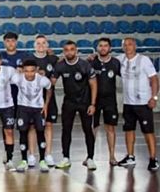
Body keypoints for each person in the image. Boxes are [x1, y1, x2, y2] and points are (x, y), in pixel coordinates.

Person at [52, 40, 97, 171]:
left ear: (76, 50)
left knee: (88, 129)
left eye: (72, 49)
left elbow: (94, 84)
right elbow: (51, 83)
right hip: (69, 102)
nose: (69, 52)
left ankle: (90, 158)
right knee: (66, 130)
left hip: (85, 102)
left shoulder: (85, 65)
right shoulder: (60, 66)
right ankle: (66, 158)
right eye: (66, 49)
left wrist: (93, 104)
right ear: (63, 51)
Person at [116, 37, 158, 171]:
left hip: (143, 102)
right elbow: (105, 61)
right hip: (128, 103)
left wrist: (154, 97)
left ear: (135, 46)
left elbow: (154, 79)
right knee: (129, 130)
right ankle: (130, 156)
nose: (127, 47)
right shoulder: (120, 59)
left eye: (130, 44)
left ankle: (153, 159)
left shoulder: (144, 60)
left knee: (148, 131)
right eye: (125, 45)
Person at [11, 59, 52, 173]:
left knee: (40, 131)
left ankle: (42, 160)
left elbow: (49, 89)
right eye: (26, 71)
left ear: (36, 70)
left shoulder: (42, 80)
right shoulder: (17, 78)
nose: (29, 74)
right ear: (23, 70)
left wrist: (46, 104)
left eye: (32, 71)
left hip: (38, 108)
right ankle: (24, 160)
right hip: (23, 107)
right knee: (23, 132)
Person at [24, 35, 58, 168]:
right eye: (38, 43)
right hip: (32, 98)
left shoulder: (53, 59)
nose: (41, 46)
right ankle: (31, 154)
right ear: (34, 46)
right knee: (32, 126)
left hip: (49, 97)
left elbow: (64, 62)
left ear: (47, 45)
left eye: (43, 43)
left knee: (49, 125)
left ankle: (48, 154)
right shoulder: (29, 59)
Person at [89, 38, 121, 166]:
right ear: (97, 48)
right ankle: (90, 156)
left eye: (105, 46)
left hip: (110, 100)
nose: (103, 48)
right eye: (100, 46)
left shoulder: (116, 63)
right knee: (93, 128)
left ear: (110, 48)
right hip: (94, 100)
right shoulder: (91, 62)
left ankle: (112, 156)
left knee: (110, 128)